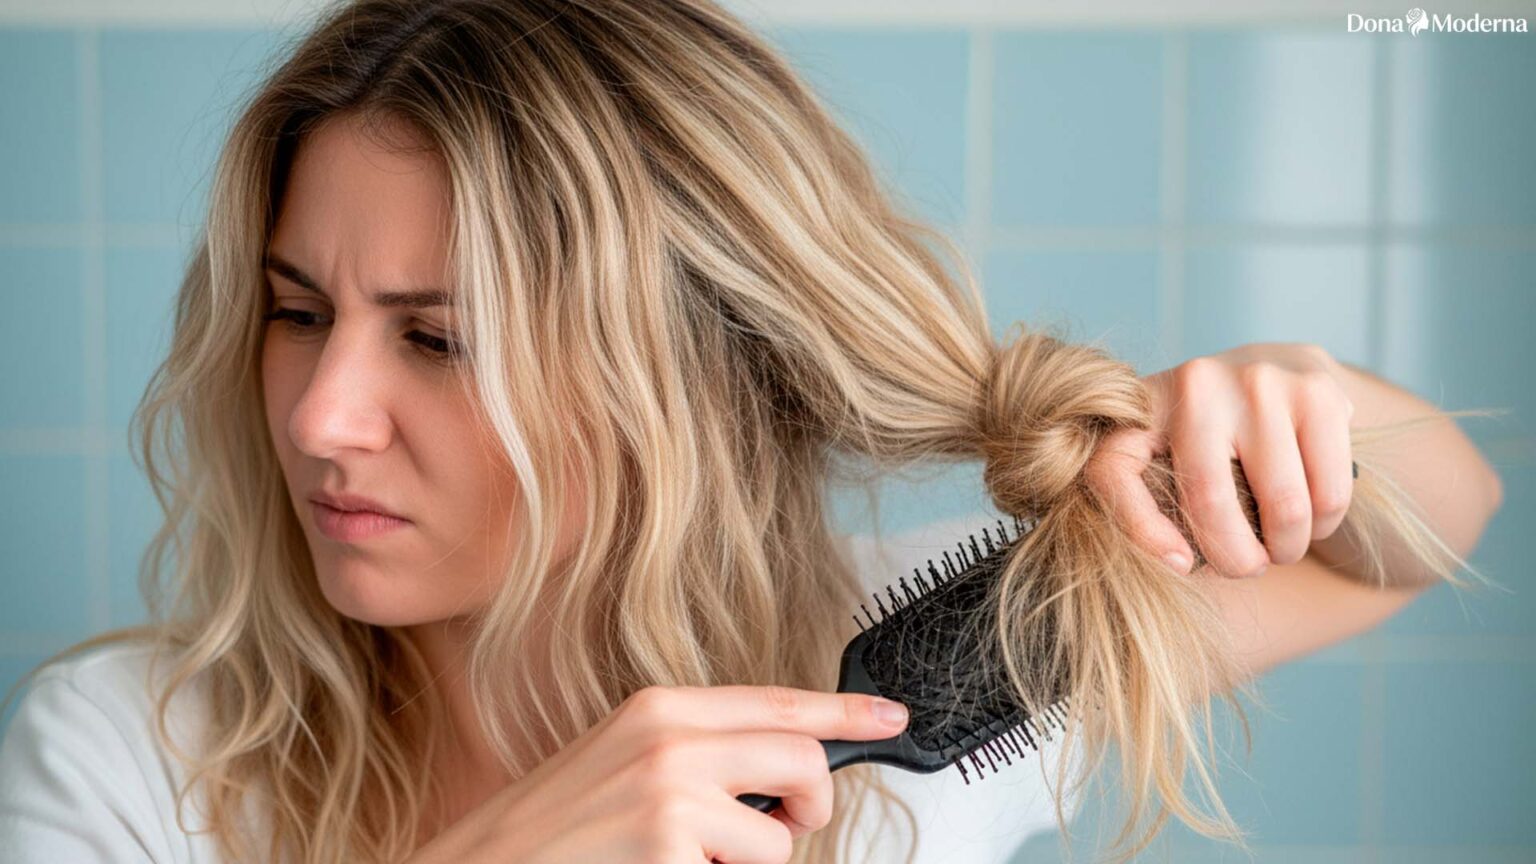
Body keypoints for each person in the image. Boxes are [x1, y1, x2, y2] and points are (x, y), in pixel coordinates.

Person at [0, 1, 1505, 863]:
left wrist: (1289, 416)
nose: (325, 416)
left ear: (687, 368)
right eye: (296, 312)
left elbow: (1431, 517)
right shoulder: (139, 756)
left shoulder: (911, 689)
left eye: (441, 340)